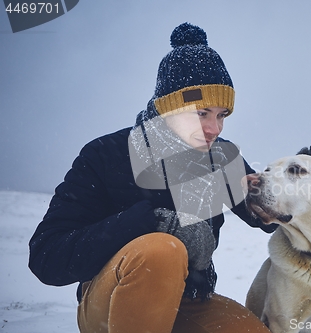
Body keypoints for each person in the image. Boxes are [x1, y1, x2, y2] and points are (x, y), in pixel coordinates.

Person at [28, 22, 276, 333]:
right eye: (202, 113)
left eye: (221, 115)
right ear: (169, 107)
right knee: (161, 250)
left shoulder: (220, 157)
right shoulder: (106, 154)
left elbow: (270, 209)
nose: (215, 128)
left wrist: (310, 175)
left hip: (187, 301)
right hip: (109, 302)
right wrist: (148, 222)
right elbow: (46, 256)